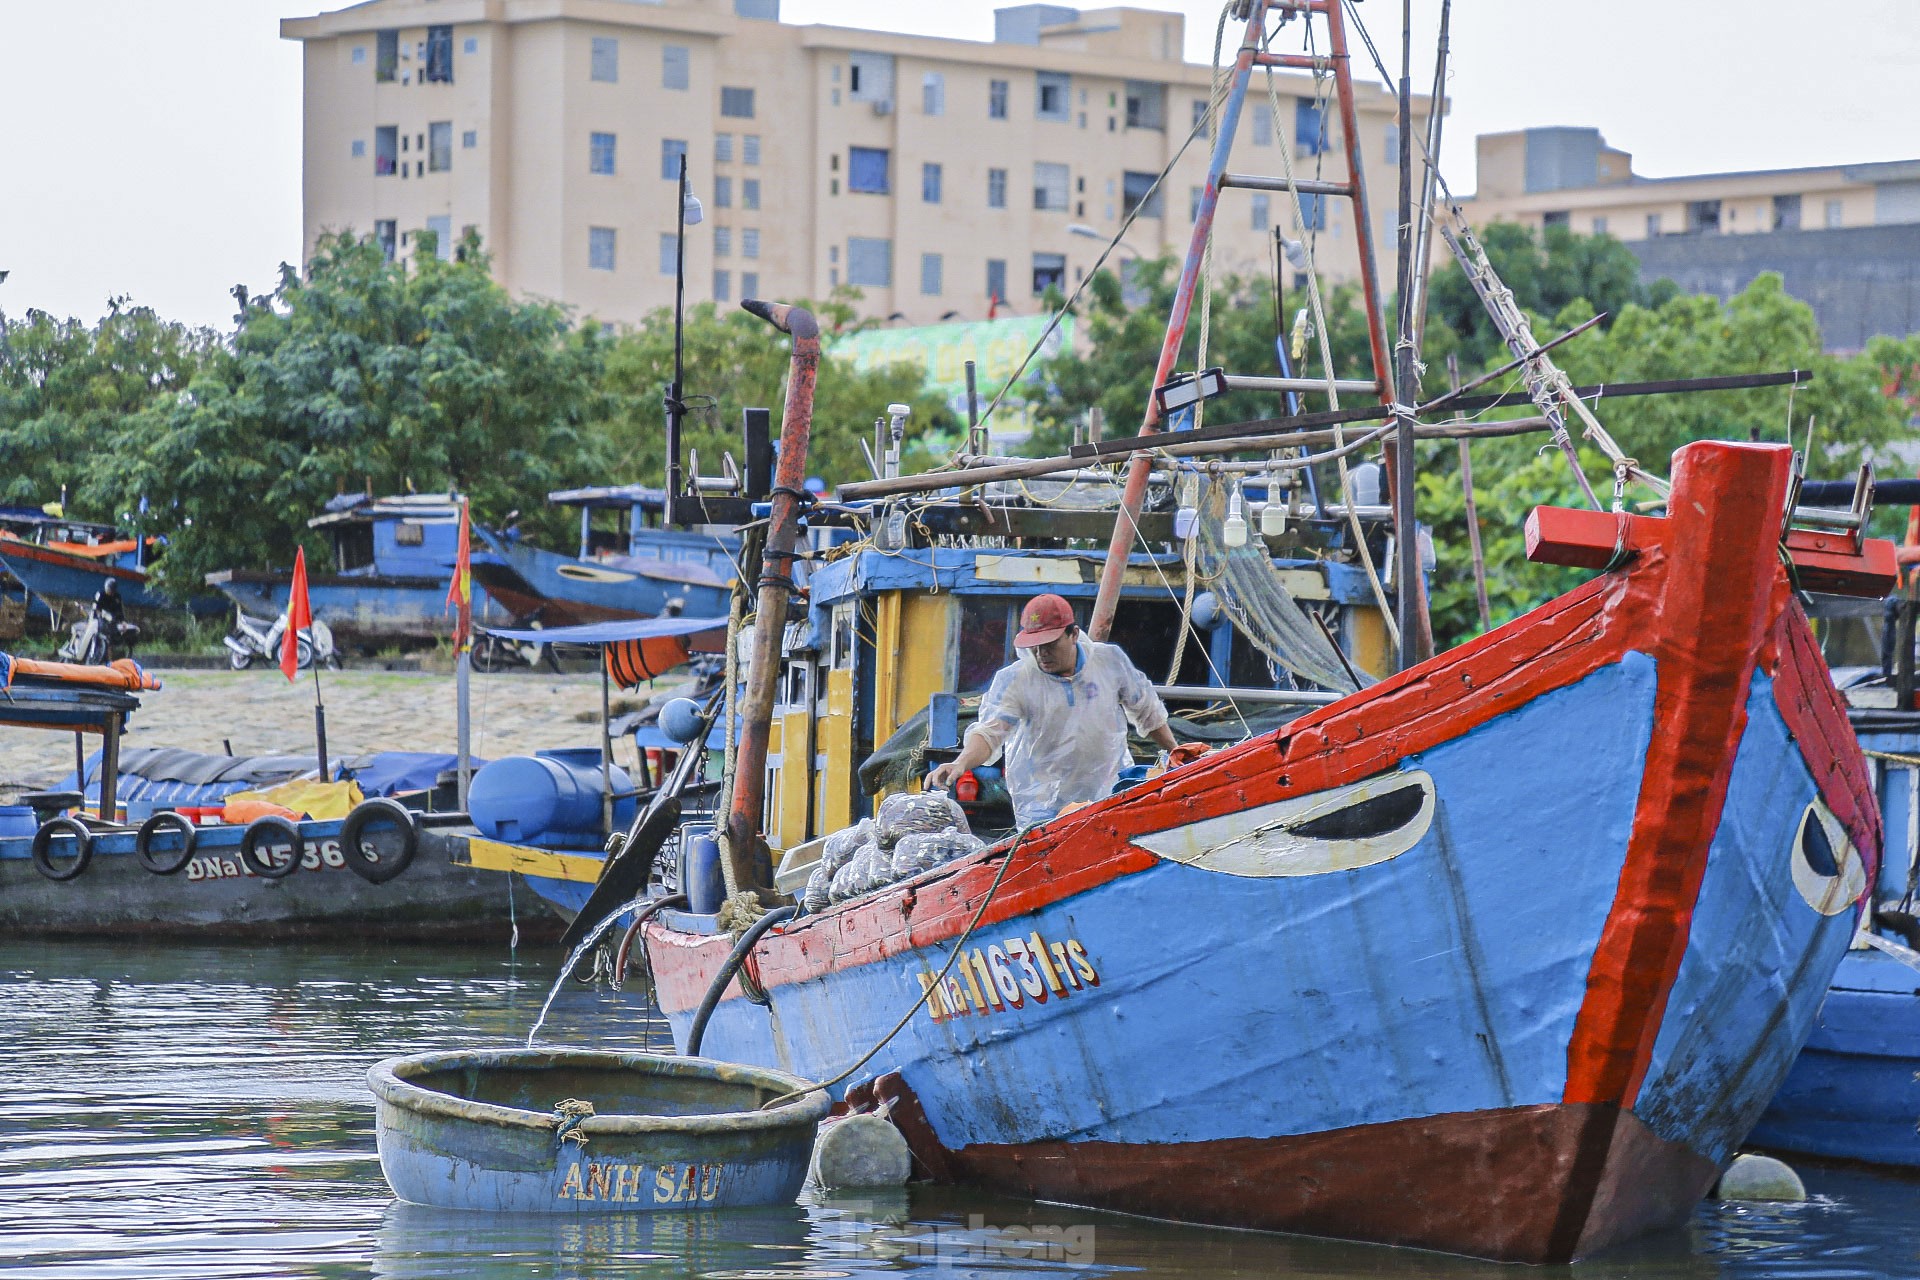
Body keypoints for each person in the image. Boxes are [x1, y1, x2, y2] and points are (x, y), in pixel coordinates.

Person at [929, 593, 1177, 827]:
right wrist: (961, 763)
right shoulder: (1015, 679)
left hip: (1108, 792)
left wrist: (1177, 753)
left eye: (1049, 644)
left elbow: (1148, 711)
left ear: (1073, 634)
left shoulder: (1109, 661)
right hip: (1041, 806)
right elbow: (989, 733)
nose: (1041, 653)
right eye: (1035, 646)